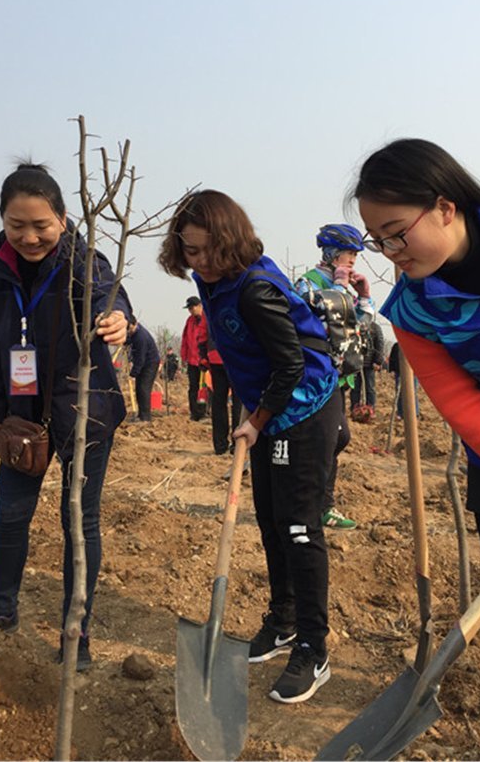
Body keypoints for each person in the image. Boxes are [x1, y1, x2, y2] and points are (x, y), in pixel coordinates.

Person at [350, 138, 480, 746]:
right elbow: (460, 402)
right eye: (376, 240)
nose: (388, 253)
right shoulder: (413, 311)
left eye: (395, 233)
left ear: (443, 206)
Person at [159, 189, 339, 704]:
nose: (202, 262)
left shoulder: (256, 290)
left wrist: (256, 419)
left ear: (232, 241)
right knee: (270, 518)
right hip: (269, 406)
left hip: (302, 409)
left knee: (300, 527)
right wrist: (252, 405)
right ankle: (282, 621)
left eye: (211, 251)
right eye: (190, 251)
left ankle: (313, 645)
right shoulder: (208, 280)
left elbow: (292, 365)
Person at [0, 162, 132, 671]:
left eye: (41, 225)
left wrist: (118, 319)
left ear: (63, 218)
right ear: (3, 221)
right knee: (11, 516)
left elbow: (114, 298)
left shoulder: (84, 261)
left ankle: (75, 632)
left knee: (78, 522)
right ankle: (2, 608)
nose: (30, 236)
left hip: (86, 411)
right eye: (18, 226)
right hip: (20, 418)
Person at [295, 224, 376, 531]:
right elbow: (329, 319)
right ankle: (317, 507)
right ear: (330, 253)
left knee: (335, 439)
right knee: (330, 439)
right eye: (348, 253)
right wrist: (341, 290)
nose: (353, 259)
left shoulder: (344, 284)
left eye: (356, 254)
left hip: (339, 377)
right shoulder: (308, 284)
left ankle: (320, 505)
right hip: (316, 373)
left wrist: (364, 296)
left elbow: (359, 326)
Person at [197, 312, 242, 455]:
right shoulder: (238, 296)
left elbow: (202, 333)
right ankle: (238, 444)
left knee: (219, 400)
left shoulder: (208, 302)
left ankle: (220, 445)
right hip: (237, 355)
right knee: (238, 400)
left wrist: (203, 355)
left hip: (215, 355)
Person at [126, 316, 160, 422]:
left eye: (130, 328)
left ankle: (145, 417)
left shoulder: (141, 337)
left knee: (143, 389)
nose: (128, 331)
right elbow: (129, 340)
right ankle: (141, 415)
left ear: (135, 324)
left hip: (150, 364)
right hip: (143, 364)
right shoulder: (134, 333)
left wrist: (133, 373)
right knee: (139, 389)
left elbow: (140, 358)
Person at [350, 319, 384, 418]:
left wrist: (377, 361)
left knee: (370, 387)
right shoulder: (354, 325)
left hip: (369, 364)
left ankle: (371, 408)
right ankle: (354, 408)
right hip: (356, 363)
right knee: (355, 387)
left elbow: (379, 345)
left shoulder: (375, 328)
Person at [180, 296, 206, 421]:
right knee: (193, 387)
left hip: (206, 360)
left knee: (206, 388)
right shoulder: (189, 321)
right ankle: (194, 413)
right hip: (192, 360)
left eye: (192, 308)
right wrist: (184, 356)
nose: (190, 310)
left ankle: (204, 412)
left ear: (200, 306)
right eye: (189, 308)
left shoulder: (208, 318)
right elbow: (185, 339)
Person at [388, 340, 419, 419]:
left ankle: (415, 412)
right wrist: (391, 370)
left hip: (413, 373)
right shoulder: (396, 346)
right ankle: (400, 413)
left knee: (412, 392)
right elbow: (392, 359)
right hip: (399, 373)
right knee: (399, 393)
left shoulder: (414, 346)